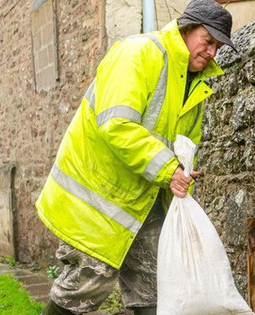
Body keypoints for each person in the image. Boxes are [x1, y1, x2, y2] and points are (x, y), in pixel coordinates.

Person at [36, 0, 236, 314]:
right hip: (99, 198)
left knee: (156, 289)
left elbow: (184, 149)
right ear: (186, 29)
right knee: (85, 287)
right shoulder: (139, 54)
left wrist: (179, 192)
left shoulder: (196, 84)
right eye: (207, 41)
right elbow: (115, 124)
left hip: (145, 201)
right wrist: (170, 171)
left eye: (218, 46)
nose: (211, 52)